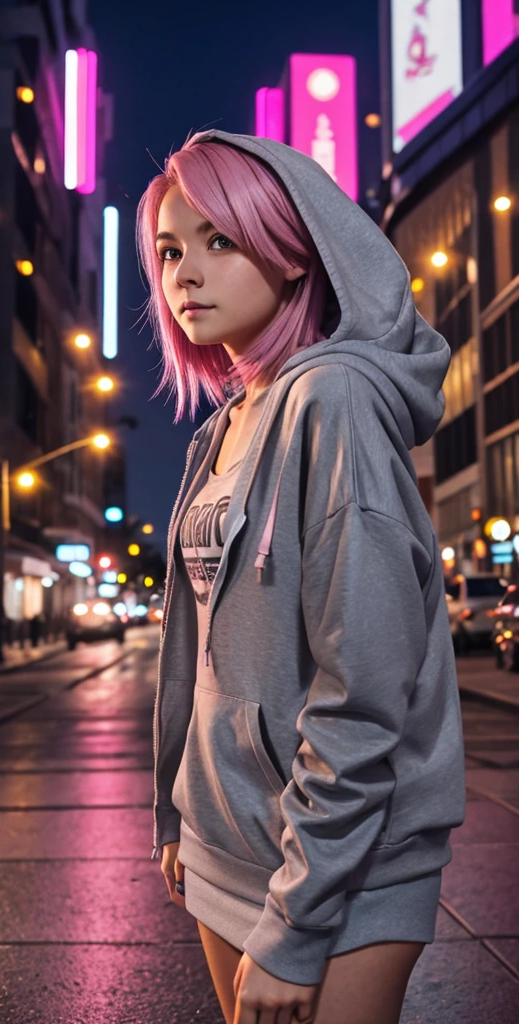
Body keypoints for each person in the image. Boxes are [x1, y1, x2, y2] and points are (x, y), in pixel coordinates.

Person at [136, 128, 466, 1024]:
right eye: (169, 249)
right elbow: (197, 654)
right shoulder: (228, 423)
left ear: (292, 255)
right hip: (227, 839)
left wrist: (298, 917)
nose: (184, 274)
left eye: (219, 240)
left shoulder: (335, 401)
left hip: (337, 867)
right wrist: (182, 812)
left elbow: (364, 692)